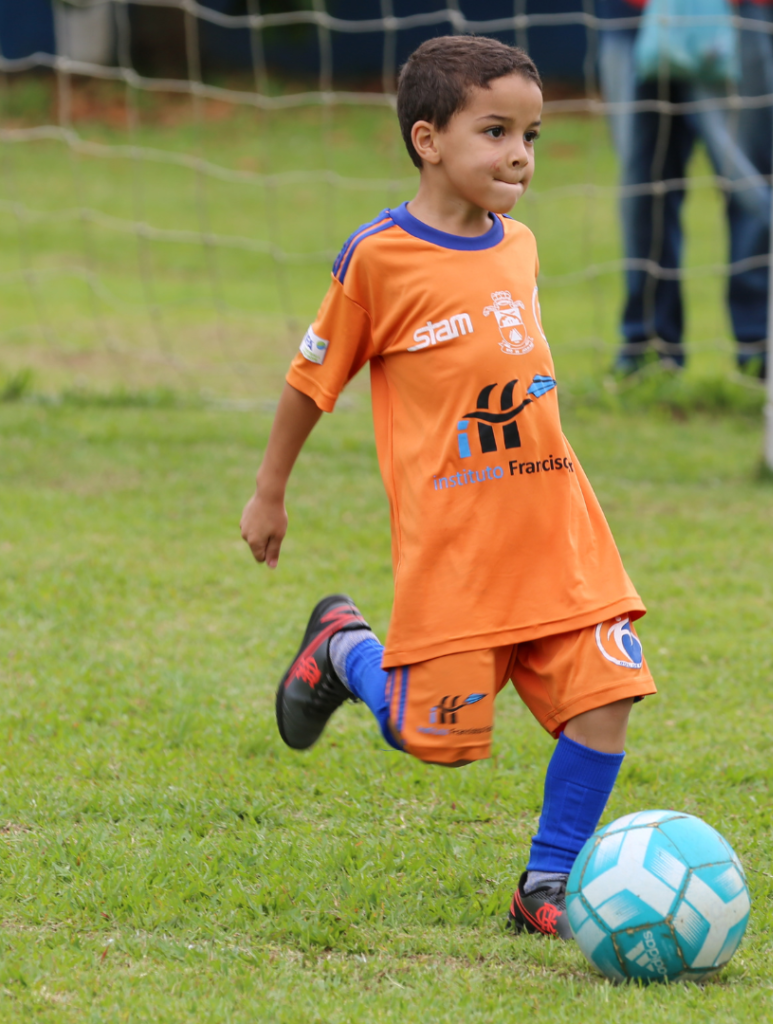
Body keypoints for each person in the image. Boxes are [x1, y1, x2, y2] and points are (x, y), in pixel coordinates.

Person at [239, 35, 656, 939]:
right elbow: (312, 380)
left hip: (559, 534)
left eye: (533, 136)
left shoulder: (523, 246)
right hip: (459, 553)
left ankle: (547, 883)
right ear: (428, 139)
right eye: (497, 131)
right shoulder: (379, 259)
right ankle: (344, 646)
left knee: (608, 696)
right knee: (436, 742)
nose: (519, 155)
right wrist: (270, 490)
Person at [600, 0, 773, 376]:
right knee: (641, 196)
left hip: (737, 14)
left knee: (752, 190)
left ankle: (763, 351)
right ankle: (646, 353)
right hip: (631, 17)